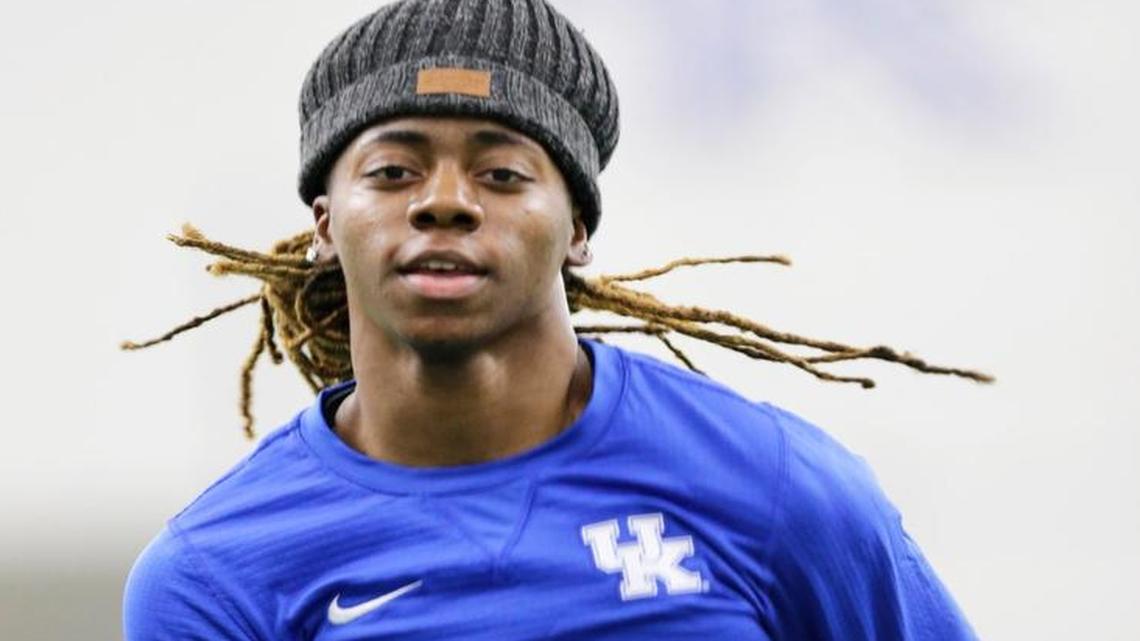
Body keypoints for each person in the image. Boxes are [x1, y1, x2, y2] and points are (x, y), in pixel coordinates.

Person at [122, 0, 988, 638]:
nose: (445, 203)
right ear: (324, 224)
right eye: (393, 171)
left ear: (576, 227)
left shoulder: (775, 485)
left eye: (501, 173)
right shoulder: (217, 569)